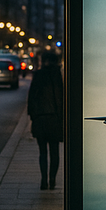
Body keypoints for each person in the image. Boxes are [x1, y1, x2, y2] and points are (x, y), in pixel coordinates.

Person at [27, 50, 64, 190]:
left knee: (42, 152)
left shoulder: (38, 75)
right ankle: (53, 179)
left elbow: (31, 98)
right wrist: (61, 117)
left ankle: (43, 180)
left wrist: (33, 116)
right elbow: (60, 98)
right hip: (54, 118)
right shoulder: (57, 76)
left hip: (40, 119)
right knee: (55, 151)